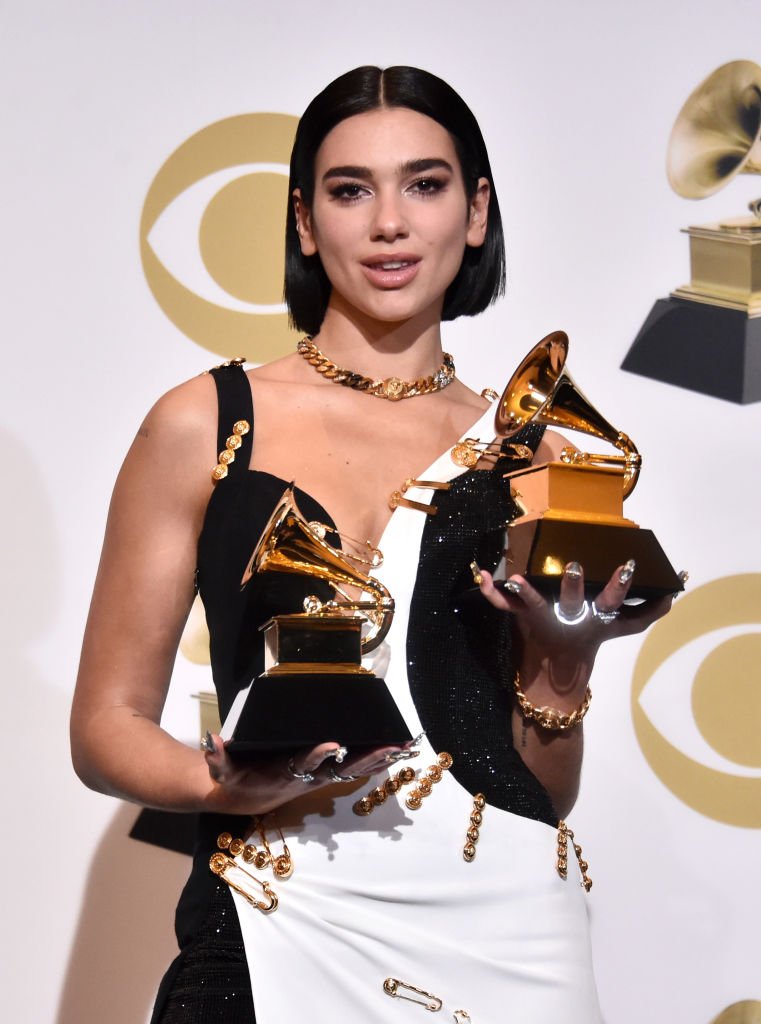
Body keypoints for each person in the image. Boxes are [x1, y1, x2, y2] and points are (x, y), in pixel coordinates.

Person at [71, 65, 673, 1023]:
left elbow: (540, 793)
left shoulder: (534, 456)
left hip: (506, 938)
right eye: (351, 190)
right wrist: (223, 785)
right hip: (272, 900)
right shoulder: (203, 422)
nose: (390, 223)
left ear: (475, 212)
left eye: (425, 185)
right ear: (305, 222)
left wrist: (563, 668)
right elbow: (106, 723)